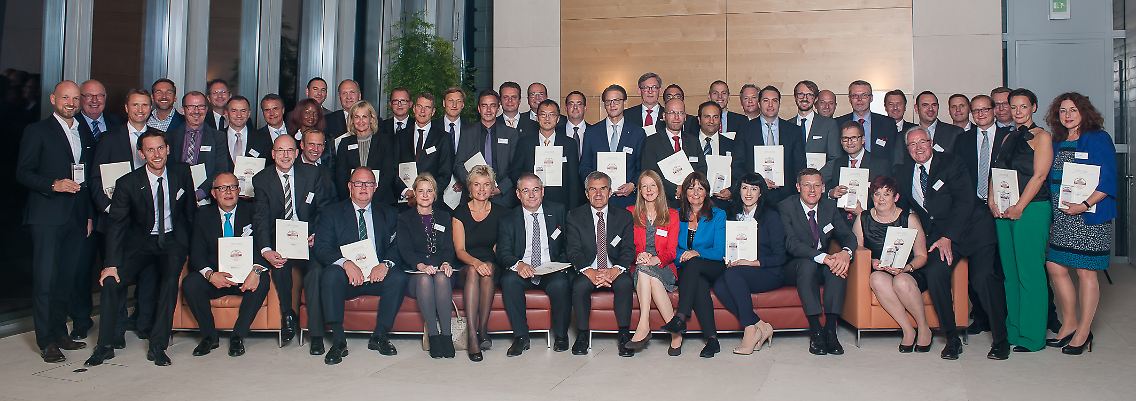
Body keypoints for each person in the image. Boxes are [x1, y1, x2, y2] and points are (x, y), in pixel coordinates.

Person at [85, 130, 197, 367]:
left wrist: (189, 247)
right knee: (111, 283)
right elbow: (117, 225)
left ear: (168, 149)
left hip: (172, 241)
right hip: (140, 243)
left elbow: (189, 213)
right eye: (150, 150)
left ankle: (157, 346)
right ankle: (105, 346)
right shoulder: (127, 183)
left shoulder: (182, 173)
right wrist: (111, 264)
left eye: (160, 148)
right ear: (141, 153)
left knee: (169, 283)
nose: (156, 154)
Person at [16, 80, 93, 362]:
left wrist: (86, 215)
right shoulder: (37, 131)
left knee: (66, 279)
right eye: (65, 98)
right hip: (47, 216)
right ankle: (46, 340)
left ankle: (61, 333)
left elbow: (85, 177)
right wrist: (53, 184)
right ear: (53, 99)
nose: (71, 103)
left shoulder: (82, 131)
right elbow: (23, 172)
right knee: (46, 280)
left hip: (75, 217)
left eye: (75, 98)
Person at [1043, 92, 1117, 355]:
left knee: (1086, 271)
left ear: (1084, 111)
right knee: (1055, 265)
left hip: (1089, 215)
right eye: (1062, 111)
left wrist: (1083, 206)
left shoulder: (1098, 138)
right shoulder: (1058, 140)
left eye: (1073, 110)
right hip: (1063, 215)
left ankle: (1084, 331)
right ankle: (1069, 323)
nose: (1068, 115)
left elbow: (1107, 180)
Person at [90, 90, 165, 340]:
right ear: (126, 108)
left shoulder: (158, 139)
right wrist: (110, 209)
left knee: (148, 275)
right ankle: (117, 329)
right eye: (135, 105)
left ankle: (143, 324)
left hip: (147, 221)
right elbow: (95, 179)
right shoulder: (110, 139)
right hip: (118, 219)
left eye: (145, 105)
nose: (140, 110)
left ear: (150, 108)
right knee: (117, 274)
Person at [316, 168, 409, 364]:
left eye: (369, 183)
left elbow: (398, 244)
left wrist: (385, 264)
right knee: (330, 275)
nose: (364, 187)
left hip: (376, 275)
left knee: (399, 277)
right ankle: (339, 341)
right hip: (346, 277)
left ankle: (380, 336)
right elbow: (322, 247)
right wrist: (345, 263)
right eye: (359, 183)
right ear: (350, 186)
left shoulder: (389, 213)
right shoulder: (332, 212)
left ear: (375, 187)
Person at [892, 127, 969, 360]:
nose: (918, 148)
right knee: (915, 272)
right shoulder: (903, 172)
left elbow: (964, 202)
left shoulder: (951, 163)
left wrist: (948, 237)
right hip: (923, 236)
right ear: (907, 150)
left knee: (936, 272)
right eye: (912, 145)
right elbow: (901, 209)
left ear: (931, 142)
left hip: (952, 234)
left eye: (922, 142)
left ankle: (952, 338)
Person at [989, 88, 1055, 354]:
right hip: (1004, 210)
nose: (1017, 112)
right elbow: (997, 170)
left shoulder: (1042, 137)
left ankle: (1033, 336)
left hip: (1032, 208)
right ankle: (1014, 329)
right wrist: (992, 200)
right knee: (1011, 273)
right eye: (1012, 107)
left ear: (1034, 107)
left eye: (1023, 107)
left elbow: (1039, 176)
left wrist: (1019, 206)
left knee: (1030, 272)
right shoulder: (1007, 137)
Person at [252, 135, 333, 351]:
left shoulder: (313, 174)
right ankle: (289, 316)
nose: (285, 155)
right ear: (273, 154)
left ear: (297, 153)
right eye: (280, 151)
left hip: (309, 240)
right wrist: (267, 249)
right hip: (281, 241)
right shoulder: (261, 179)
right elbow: (260, 218)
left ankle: (315, 334)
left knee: (315, 271)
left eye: (289, 151)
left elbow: (324, 208)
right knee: (279, 268)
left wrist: (317, 233)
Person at [183, 172, 269, 357]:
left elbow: (266, 245)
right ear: (213, 193)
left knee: (263, 279)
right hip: (216, 277)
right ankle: (209, 337)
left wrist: (256, 271)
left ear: (239, 190)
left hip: (245, 278)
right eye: (222, 188)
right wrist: (210, 275)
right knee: (191, 283)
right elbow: (196, 253)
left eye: (232, 187)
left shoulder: (253, 212)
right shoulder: (202, 216)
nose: (228, 192)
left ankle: (238, 336)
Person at [953, 95, 1011, 357]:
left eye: (984, 109)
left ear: (995, 110)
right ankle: (983, 318)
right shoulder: (963, 140)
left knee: (989, 274)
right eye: (975, 111)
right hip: (971, 213)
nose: (980, 114)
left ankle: (1001, 336)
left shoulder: (1009, 137)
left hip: (1002, 209)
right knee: (975, 275)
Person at [779, 168, 856, 356]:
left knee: (837, 267)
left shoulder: (829, 207)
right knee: (808, 264)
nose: (812, 190)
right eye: (807, 185)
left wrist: (845, 253)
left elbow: (848, 236)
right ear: (798, 187)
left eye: (817, 185)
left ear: (823, 187)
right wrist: (824, 258)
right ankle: (815, 330)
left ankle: (830, 330)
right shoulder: (786, 207)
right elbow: (791, 243)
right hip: (794, 264)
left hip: (823, 262)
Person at [851, 176, 933, 353]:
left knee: (901, 281)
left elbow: (921, 256)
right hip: (881, 269)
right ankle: (907, 329)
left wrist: (906, 268)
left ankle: (923, 327)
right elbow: (858, 251)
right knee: (876, 279)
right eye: (877, 194)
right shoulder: (862, 219)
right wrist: (871, 262)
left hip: (910, 270)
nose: (881, 199)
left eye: (886, 194)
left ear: (895, 197)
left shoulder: (909, 219)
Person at [497, 173, 573, 355]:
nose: (531, 195)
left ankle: (561, 335)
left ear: (543, 191)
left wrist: (558, 264)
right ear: (518, 194)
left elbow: (569, 245)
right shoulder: (508, 218)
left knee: (561, 283)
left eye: (535, 190)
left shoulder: (558, 211)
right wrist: (519, 264)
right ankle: (521, 337)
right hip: (524, 269)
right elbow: (503, 252)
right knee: (508, 281)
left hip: (551, 268)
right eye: (526, 190)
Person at [565, 171, 636, 357]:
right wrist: (589, 271)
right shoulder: (574, 216)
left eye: (603, 189)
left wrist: (615, 270)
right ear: (587, 193)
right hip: (589, 268)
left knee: (625, 283)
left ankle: (623, 334)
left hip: (614, 268)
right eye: (593, 189)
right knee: (579, 285)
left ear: (610, 191)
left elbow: (628, 249)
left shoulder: (624, 216)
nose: (598, 194)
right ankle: (582, 334)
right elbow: (573, 250)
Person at [714, 173, 786, 354]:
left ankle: (749, 330)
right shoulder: (732, 214)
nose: (748, 193)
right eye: (744, 188)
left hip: (768, 271)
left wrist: (753, 263)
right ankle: (760, 324)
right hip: (740, 269)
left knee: (732, 275)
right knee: (719, 284)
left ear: (760, 193)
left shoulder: (771, 216)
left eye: (754, 189)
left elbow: (780, 256)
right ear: (738, 190)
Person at [660, 172, 727, 358]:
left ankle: (681, 316)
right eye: (690, 188)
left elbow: (719, 251)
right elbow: (671, 248)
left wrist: (697, 253)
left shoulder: (718, 215)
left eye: (700, 188)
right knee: (699, 285)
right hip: (688, 269)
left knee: (695, 263)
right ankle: (712, 340)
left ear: (707, 192)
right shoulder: (676, 215)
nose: (695, 192)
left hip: (713, 266)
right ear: (684, 192)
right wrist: (684, 255)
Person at [398, 173, 458, 359]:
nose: (425, 195)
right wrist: (421, 265)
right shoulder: (404, 218)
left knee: (441, 277)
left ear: (435, 194)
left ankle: (447, 336)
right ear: (414, 194)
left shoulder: (444, 216)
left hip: (441, 268)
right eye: (421, 191)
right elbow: (404, 250)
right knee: (425, 280)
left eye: (429, 191)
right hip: (416, 271)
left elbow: (449, 246)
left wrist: (446, 262)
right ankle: (433, 335)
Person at [622, 171, 682, 354]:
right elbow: (626, 246)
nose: (649, 190)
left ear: (659, 188)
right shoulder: (630, 212)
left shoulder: (672, 214)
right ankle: (676, 333)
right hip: (639, 264)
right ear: (639, 190)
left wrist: (656, 258)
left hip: (664, 266)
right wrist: (637, 256)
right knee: (646, 273)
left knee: (649, 273)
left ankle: (643, 326)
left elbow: (671, 251)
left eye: (652, 185)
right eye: (644, 186)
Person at [451, 165, 505, 361]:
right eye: (477, 185)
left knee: (488, 269)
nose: (481, 189)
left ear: (492, 188)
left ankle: (483, 329)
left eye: (486, 185)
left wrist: (489, 262)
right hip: (467, 264)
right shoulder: (460, 213)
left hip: (492, 265)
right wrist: (476, 262)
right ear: (470, 187)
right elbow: (460, 250)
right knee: (475, 271)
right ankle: (474, 335)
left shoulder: (501, 213)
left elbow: (500, 248)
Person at [579, 84, 645, 209]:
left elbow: (642, 166)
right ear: (604, 105)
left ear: (624, 103)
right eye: (608, 101)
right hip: (598, 200)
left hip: (628, 201)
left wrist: (633, 184)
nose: (612, 105)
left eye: (616, 101)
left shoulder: (637, 132)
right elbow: (584, 166)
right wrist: (594, 185)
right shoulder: (592, 132)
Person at [739, 85, 805, 205]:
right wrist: (755, 182)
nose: (770, 105)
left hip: (787, 197)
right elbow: (738, 163)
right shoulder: (745, 129)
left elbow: (799, 166)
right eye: (766, 101)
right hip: (754, 195)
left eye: (774, 101)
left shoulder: (794, 131)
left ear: (779, 104)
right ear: (759, 103)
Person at [454, 89, 520, 207]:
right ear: (479, 109)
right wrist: (474, 186)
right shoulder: (467, 133)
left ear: (498, 108)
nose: (488, 110)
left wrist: (500, 188)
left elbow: (516, 167)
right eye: (484, 106)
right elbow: (459, 164)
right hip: (473, 196)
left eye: (492, 106)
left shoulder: (511, 134)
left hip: (502, 198)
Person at [512, 99, 582, 208]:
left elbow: (573, 180)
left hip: (560, 202)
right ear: (537, 117)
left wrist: (572, 209)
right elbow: (516, 172)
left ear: (558, 118)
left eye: (551, 115)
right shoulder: (525, 143)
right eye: (543, 114)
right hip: (531, 202)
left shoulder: (569, 144)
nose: (547, 118)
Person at [167, 91, 232, 202]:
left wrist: (199, 194)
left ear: (206, 110)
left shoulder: (218, 137)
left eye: (201, 107)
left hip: (206, 199)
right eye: (191, 107)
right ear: (183, 110)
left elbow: (220, 170)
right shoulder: (169, 137)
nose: (196, 111)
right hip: (174, 198)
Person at [640, 98, 701, 207]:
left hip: (692, 202)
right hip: (663, 203)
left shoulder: (694, 141)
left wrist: (690, 188)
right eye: (672, 113)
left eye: (680, 113)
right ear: (664, 116)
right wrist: (674, 189)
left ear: (685, 116)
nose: (676, 117)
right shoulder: (652, 142)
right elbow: (650, 173)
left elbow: (701, 169)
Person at [333, 101, 398, 203]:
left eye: (364, 117)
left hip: (381, 201)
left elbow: (388, 174)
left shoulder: (385, 141)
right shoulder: (345, 143)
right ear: (352, 120)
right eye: (357, 117)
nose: (360, 121)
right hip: (352, 201)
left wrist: (373, 198)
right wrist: (351, 201)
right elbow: (341, 176)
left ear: (371, 119)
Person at [396, 93, 453, 204]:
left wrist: (427, 194)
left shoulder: (443, 138)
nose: (422, 111)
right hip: (405, 202)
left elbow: (445, 173)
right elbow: (393, 168)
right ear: (413, 109)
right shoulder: (400, 136)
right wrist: (406, 191)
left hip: (432, 202)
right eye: (419, 106)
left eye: (427, 107)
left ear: (433, 112)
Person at [822, 121, 891, 207]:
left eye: (854, 138)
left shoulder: (880, 164)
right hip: (840, 217)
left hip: (869, 216)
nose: (849, 142)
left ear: (863, 140)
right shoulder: (837, 163)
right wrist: (831, 193)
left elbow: (888, 196)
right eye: (845, 139)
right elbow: (823, 185)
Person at [836, 80, 900, 166]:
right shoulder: (837, 124)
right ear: (850, 99)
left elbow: (894, 156)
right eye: (855, 96)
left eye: (864, 95)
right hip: (847, 174)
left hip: (879, 175)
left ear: (871, 98)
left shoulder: (888, 123)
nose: (859, 99)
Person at [793, 80, 843, 168]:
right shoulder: (787, 125)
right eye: (801, 94)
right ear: (795, 97)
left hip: (821, 180)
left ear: (815, 99)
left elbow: (835, 158)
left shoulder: (829, 124)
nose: (805, 98)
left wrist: (817, 180)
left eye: (810, 95)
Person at [435, 87, 469, 155]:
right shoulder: (433, 127)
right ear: (444, 103)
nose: (454, 105)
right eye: (450, 101)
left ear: (463, 105)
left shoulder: (471, 129)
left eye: (458, 101)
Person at [560, 90, 591, 160]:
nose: (575, 107)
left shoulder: (594, 132)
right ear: (566, 108)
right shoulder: (556, 132)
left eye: (579, 104)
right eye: (571, 104)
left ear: (585, 108)